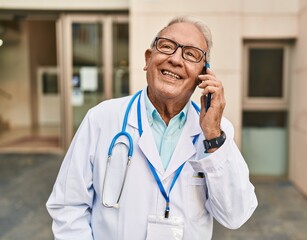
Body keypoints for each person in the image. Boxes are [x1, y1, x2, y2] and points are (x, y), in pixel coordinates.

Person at [46, 15, 257, 240]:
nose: (176, 59)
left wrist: (213, 136)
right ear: (148, 59)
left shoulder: (216, 130)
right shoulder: (101, 118)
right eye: (167, 47)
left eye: (191, 54)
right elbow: (68, 205)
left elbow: (235, 215)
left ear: (202, 75)